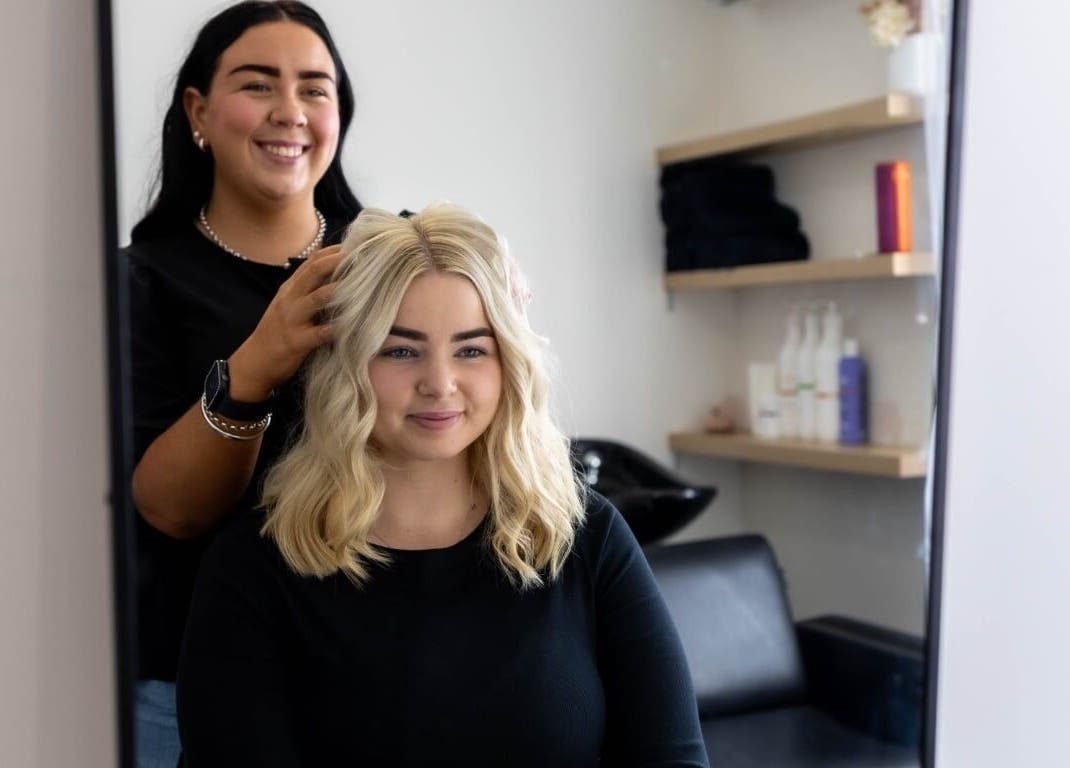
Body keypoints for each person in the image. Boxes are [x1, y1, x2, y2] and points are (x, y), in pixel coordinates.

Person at [176, 204, 710, 767]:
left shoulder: (586, 537)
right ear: (346, 362)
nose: (439, 383)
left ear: (509, 362)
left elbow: (672, 757)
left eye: (471, 349)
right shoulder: (254, 568)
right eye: (400, 350)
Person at [123, 2, 361, 765]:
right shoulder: (139, 283)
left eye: (315, 89)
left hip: (375, 665)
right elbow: (169, 509)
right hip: (188, 689)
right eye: (258, 84)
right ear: (198, 110)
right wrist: (258, 361)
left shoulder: (390, 260)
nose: (290, 111)